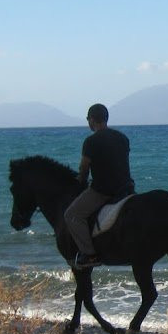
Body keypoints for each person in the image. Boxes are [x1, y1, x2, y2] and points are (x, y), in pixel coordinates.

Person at [63, 103, 134, 269]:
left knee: (72, 215)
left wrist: (79, 180)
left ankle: (89, 254)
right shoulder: (122, 137)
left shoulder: (91, 141)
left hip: (104, 191)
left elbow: (84, 168)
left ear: (92, 120)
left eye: (88, 119)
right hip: (126, 188)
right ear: (106, 118)